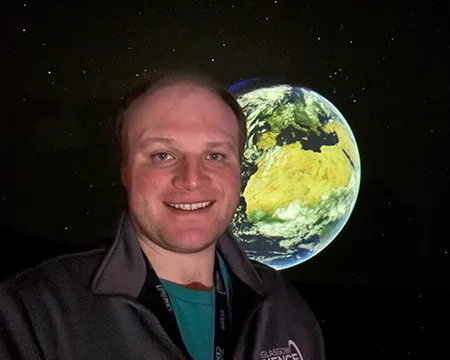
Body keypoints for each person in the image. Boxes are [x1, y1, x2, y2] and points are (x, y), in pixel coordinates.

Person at [0, 71, 325, 360]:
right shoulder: (33, 313)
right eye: (162, 155)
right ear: (126, 172)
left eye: (215, 155)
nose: (192, 179)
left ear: (240, 174)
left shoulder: (283, 306)